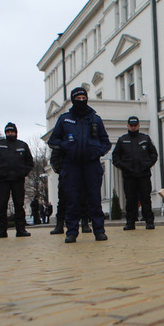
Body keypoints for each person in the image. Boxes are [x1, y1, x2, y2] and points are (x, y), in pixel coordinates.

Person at [48, 87, 112, 243]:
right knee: (72, 200)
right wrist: (66, 147)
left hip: (91, 164)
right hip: (72, 165)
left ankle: (99, 231)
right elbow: (53, 140)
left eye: (84, 97)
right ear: (73, 99)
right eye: (78, 98)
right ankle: (71, 232)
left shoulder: (95, 119)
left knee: (94, 199)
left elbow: (106, 142)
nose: (81, 100)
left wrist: (98, 152)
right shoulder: (64, 119)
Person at [0, 122, 34, 238]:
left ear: (16, 132)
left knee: (19, 205)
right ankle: (1, 230)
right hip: (3, 180)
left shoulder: (22, 145)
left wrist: (23, 173)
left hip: (18, 180)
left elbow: (30, 162)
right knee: (1, 205)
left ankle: (21, 230)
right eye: (8, 132)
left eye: (12, 131)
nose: (10, 133)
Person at [112, 116, 159, 230]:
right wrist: (124, 167)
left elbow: (154, 154)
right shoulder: (122, 140)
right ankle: (130, 222)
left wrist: (147, 165)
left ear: (138, 126)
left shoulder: (145, 138)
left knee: (146, 199)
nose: (133, 127)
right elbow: (115, 157)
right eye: (131, 125)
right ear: (128, 126)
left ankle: (149, 221)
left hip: (144, 175)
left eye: (135, 125)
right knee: (130, 200)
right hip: (129, 176)